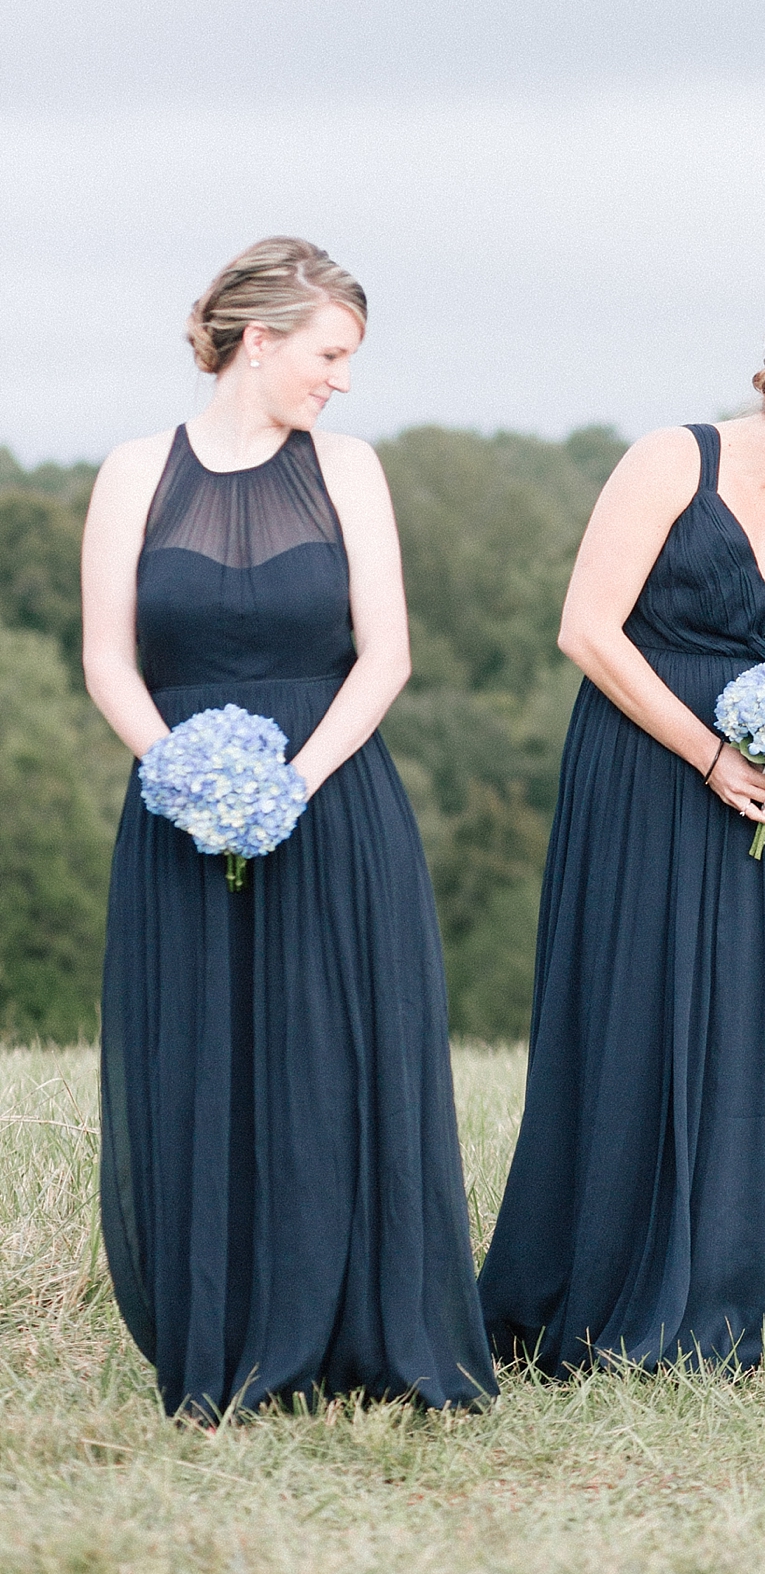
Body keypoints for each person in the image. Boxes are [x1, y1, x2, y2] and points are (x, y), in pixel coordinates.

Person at [81, 238, 493, 1421]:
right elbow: (110, 657)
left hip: (333, 795)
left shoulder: (347, 468)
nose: (342, 378)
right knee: (200, 1061)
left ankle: (364, 1330)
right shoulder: (133, 471)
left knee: (337, 1061)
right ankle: (224, 1333)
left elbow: (388, 654)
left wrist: (290, 785)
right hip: (176, 812)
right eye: (330, 352)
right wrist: (184, 776)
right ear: (258, 343)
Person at [479, 326, 765, 1378]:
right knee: (636, 1015)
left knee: (752, 1030)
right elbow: (587, 629)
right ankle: (597, 1297)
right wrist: (711, 756)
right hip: (642, 777)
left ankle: (741, 1303)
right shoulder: (671, 460)